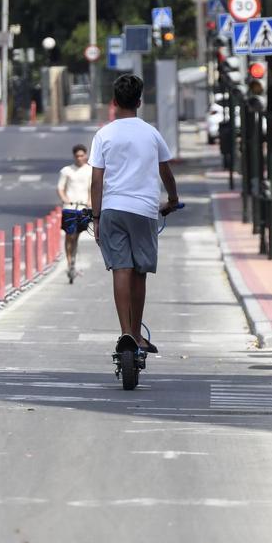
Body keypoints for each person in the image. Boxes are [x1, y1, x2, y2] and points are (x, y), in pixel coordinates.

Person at [89, 74, 180, 354]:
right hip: (144, 211)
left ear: (114, 102)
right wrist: (173, 200)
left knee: (121, 269)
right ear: (140, 102)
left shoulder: (104, 134)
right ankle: (138, 334)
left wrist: (96, 217)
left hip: (112, 210)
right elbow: (166, 172)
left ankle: (125, 333)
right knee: (140, 272)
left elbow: (96, 180)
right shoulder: (151, 133)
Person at [57, 143, 92, 283]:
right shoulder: (66, 171)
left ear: (85, 156)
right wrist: (65, 199)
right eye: (77, 156)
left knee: (76, 235)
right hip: (70, 207)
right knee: (69, 234)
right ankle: (69, 260)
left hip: (84, 207)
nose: (79, 158)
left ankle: (73, 260)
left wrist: (91, 201)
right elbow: (60, 188)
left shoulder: (90, 170)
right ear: (74, 156)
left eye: (82, 155)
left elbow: (92, 188)